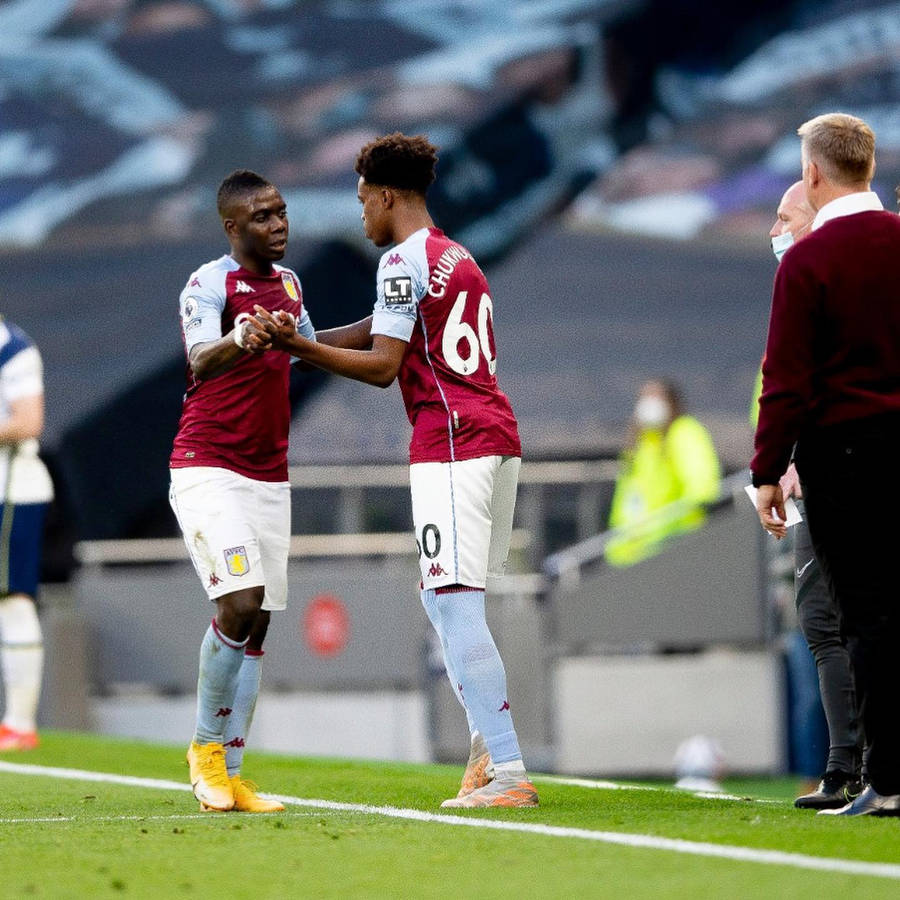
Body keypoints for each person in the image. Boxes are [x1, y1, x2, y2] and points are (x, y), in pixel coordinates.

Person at [251, 132, 538, 809]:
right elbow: (391, 327)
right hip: (494, 436)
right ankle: (486, 753)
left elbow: (384, 365)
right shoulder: (452, 254)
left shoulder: (399, 263)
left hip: (451, 442)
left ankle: (507, 769)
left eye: (361, 202)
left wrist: (300, 348)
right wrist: (302, 342)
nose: (361, 216)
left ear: (385, 196)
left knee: (455, 604)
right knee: (444, 600)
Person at [170, 169, 371, 812]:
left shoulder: (288, 284)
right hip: (208, 465)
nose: (279, 223)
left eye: (282, 212)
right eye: (262, 216)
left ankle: (231, 773)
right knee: (239, 597)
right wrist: (240, 337)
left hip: (268, 472)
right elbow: (200, 357)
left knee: (256, 626)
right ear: (233, 227)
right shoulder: (209, 283)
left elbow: (308, 348)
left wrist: (383, 322)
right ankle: (203, 750)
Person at [752, 112, 900, 817]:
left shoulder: (808, 262)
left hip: (844, 453)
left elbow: (787, 380)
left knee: (866, 617)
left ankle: (886, 778)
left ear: (813, 173)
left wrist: (765, 471)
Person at [755, 181, 864, 810]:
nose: (775, 230)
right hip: (824, 468)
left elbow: (795, 383)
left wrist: (785, 462)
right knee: (837, 623)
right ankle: (855, 766)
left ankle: (851, 767)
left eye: (784, 216)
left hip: (836, 473)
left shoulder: (815, 277)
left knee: (829, 623)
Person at [0, 317, 53, 751]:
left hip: (12, 489)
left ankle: (19, 722)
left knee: (12, 600)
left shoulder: (12, 347)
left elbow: (28, 420)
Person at [604, 378, 720, 566]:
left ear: (671, 402)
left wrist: (683, 528)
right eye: (644, 397)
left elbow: (702, 488)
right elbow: (625, 505)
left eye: (656, 396)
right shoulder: (639, 445)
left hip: (674, 547)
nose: (649, 404)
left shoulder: (684, 432)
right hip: (632, 557)